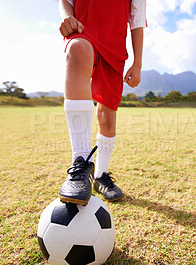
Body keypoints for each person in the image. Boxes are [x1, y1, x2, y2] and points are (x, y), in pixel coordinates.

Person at [57, 0, 146, 205]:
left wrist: (138, 63)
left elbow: (137, 21)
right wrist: (66, 17)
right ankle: (81, 164)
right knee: (77, 48)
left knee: (107, 118)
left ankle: (100, 176)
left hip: (114, 48)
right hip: (82, 30)